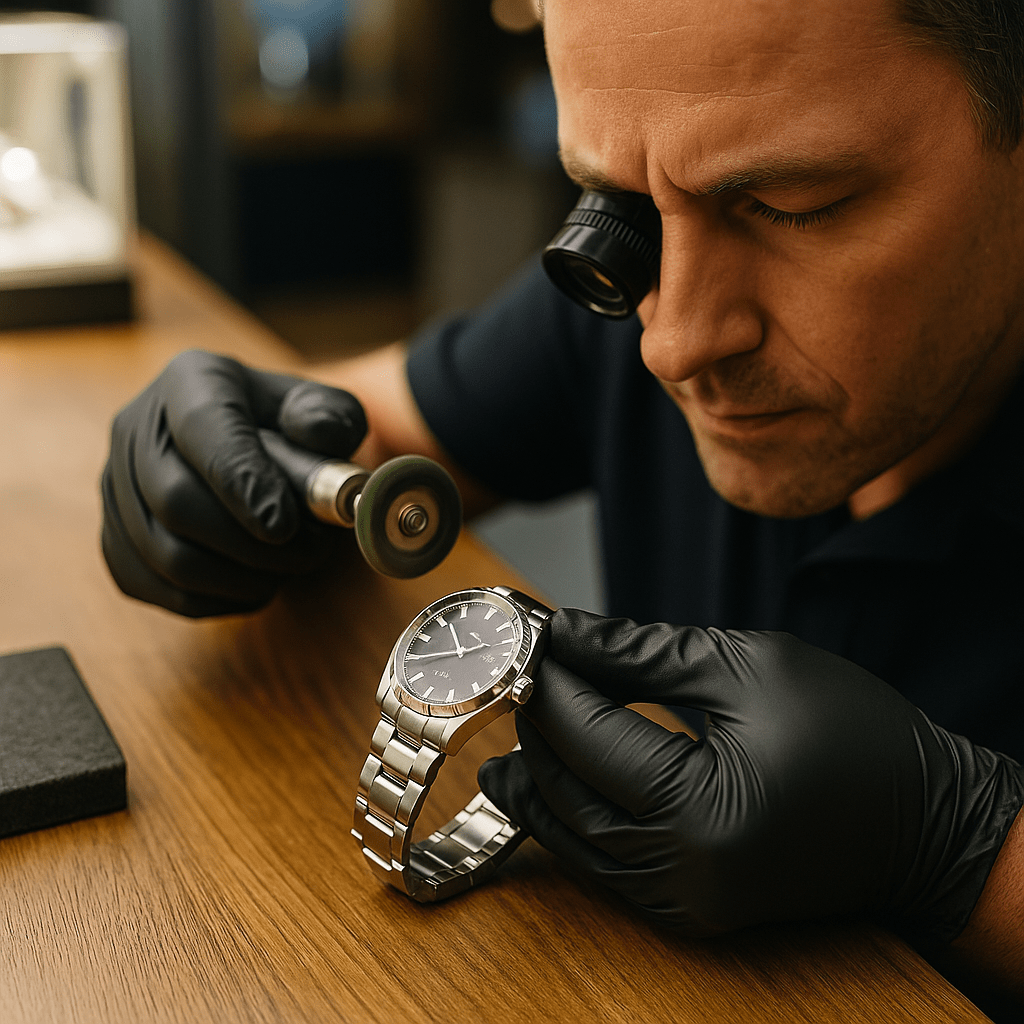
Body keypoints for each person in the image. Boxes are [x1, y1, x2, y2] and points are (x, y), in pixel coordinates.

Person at [101, 0, 1024, 1008]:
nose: (672, 343)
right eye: (614, 199)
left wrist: (963, 851)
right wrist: (235, 457)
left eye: (792, 204)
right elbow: (378, 430)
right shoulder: (644, 270)